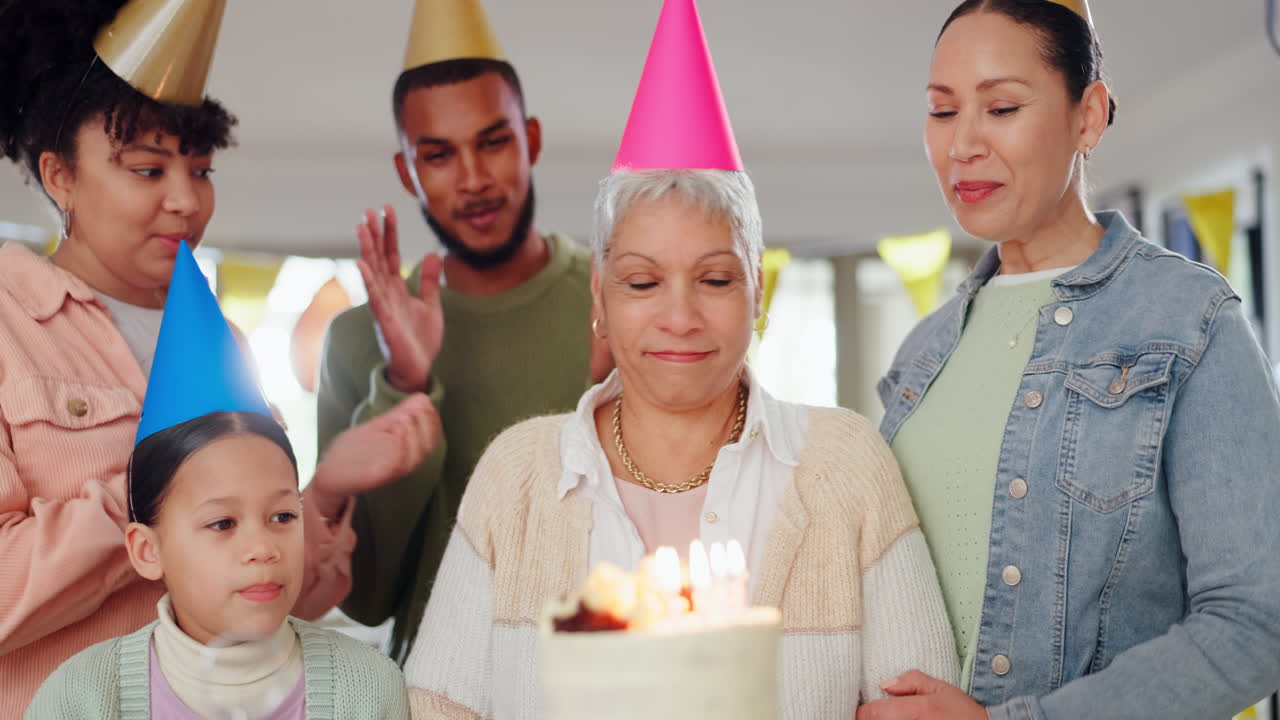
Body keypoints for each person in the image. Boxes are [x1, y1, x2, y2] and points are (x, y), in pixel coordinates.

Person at [402, 2, 956, 717]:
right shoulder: (517, 478)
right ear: (599, 296)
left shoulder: (847, 468)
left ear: (757, 289)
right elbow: (436, 705)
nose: (680, 317)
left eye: (717, 279)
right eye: (642, 282)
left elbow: (921, 705)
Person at [0, 1, 434, 712]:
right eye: (147, 170)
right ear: (61, 176)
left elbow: (283, 598)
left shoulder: (221, 341)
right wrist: (165, 496)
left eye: (199, 170)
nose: (185, 202)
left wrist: (318, 492)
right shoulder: (8, 330)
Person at [860, 2, 1280, 719]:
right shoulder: (922, 351)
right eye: (941, 110)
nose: (962, 144)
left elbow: (1256, 622)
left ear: (1087, 116)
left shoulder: (1190, 323)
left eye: (1001, 107)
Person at [314, 0, 608, 663]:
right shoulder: (360, 342)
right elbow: (364, 597)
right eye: (439, 155)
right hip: (436, 689)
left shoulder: (619, 297)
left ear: (530, 139)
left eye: (493, 142)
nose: (474, 180)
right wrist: (403, 385)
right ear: (406, 172)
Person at [26, 243, 410, 719]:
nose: (264, 547)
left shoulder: (369, 689)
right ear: (147, 550)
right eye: (223, 523)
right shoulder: (82, 697)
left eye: (283, 516)